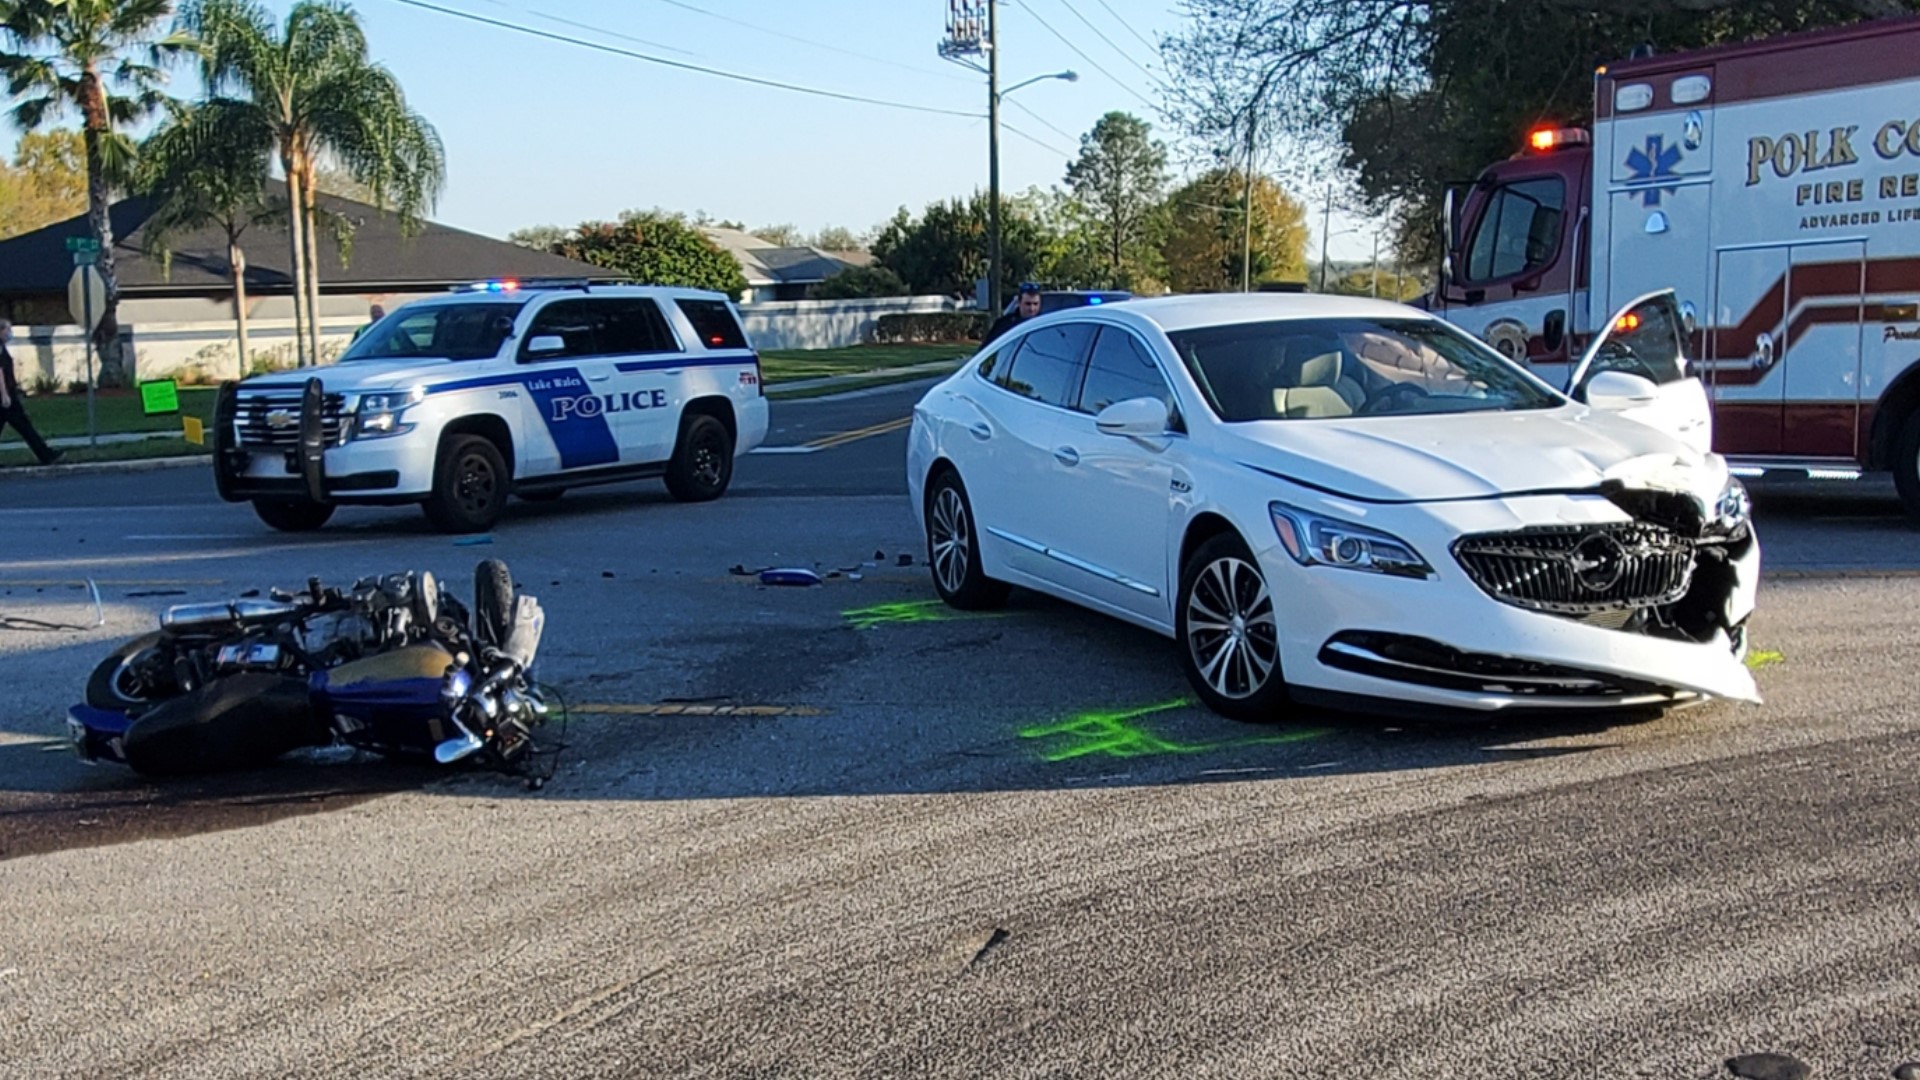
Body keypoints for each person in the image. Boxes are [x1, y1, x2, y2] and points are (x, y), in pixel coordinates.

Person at [0, 318, 62, 466]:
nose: (10, 333)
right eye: (8, 330)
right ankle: (46, 455)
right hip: (5, 396)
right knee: (24, 426)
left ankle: (46, 455)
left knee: (24, 426)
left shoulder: (2, 347)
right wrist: (4, 395)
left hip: (8, 394)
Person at [981, 283, 1043, 348]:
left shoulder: (1045, 325)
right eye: (1028, 304)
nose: (1032, 309)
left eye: (1035, 304)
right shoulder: (1004, 324)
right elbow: (987, 348)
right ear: (1019, 303)